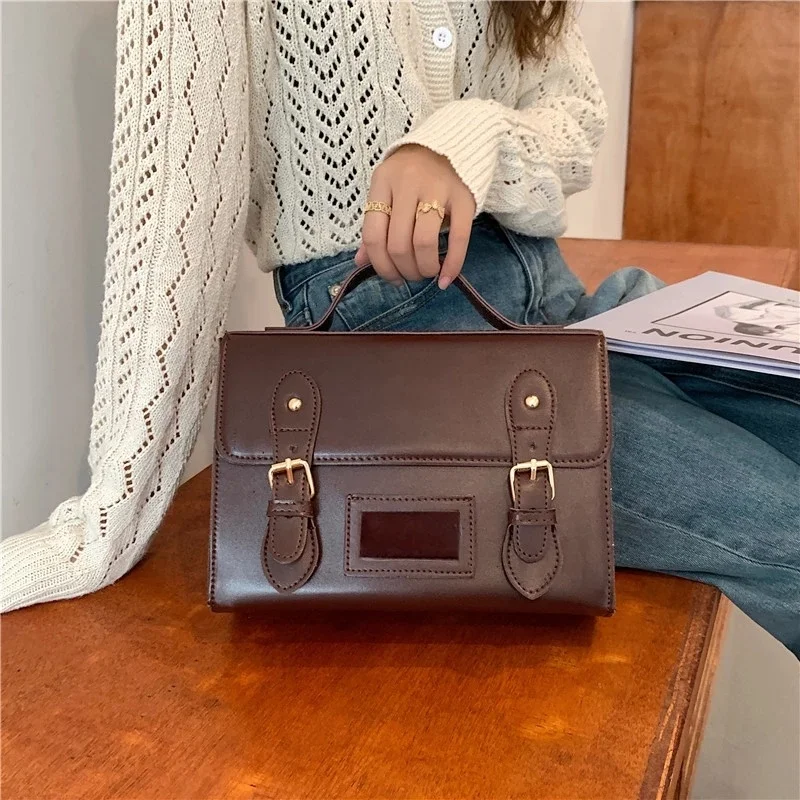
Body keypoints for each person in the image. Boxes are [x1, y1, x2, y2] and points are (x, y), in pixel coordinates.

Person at [2, 1, 798, 657]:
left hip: (552, 295)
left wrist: (467, 140)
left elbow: (577, 120)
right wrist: (111, 509)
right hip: (396, 329)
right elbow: (176, 207)